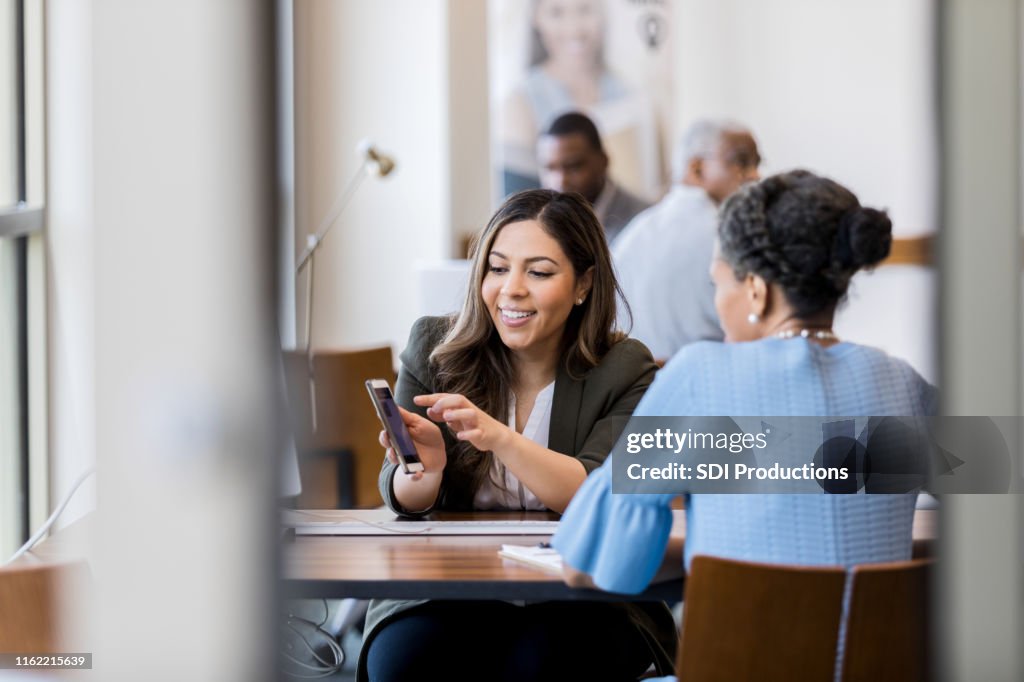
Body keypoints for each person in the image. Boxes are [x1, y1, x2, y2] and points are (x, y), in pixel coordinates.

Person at [551, 170, 938, 676]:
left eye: (718, 283)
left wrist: (709, 550)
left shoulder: (700, 377)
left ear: (756, 290)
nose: (717, 303)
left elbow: (591, 565)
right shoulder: (901, 384)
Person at [358, 189, 676, 682]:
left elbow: (595, 491)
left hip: (583, 594)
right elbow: (405, 497)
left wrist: (499, 436)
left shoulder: (625, 366)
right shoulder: (434, 349)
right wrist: (425, 469)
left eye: (540, 272)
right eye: (498, 268)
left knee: (543, 665)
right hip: (449, 589)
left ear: (583, 285)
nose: (512, 289)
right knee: (405, 663)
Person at [612, 120, 762, 361]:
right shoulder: (730, 235)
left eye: (757, 164)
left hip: (636, 391)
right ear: (697, 168)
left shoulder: (633, 235)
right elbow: (759, 332)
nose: (755, 176)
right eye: (741, 162)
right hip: (714, 385)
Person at [499, 0, 664, 199]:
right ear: (536, 19)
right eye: (556, 12)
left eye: (585, 9)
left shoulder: (630, 94)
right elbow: (516, 205)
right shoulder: (520, 102)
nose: (574, 28)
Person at [537, 111, 651, 244]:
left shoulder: (643, 223)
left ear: (603, 161)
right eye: (550, 168)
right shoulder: (539, 223)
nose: (560, 181)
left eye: (574, 166)